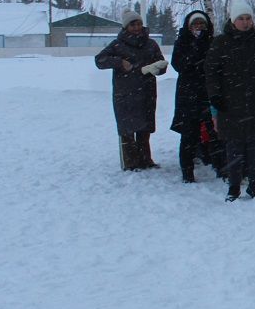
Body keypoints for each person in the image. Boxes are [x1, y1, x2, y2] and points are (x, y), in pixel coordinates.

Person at [205, 0, 255, 200]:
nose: (245, 22)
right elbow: (211, 73)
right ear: (233, 20)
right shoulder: (221, 43)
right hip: (231, 104)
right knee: (234, 147)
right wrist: (215, 97)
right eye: (241, 18)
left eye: (248, 18)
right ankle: (234, 186)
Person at [95, 9, 168, 170]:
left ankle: (145, 160)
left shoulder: (151, 44)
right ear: (126, 26)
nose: (137, 27)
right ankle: (130, 163)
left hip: (147, 92)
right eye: (133, 24)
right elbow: (99, 60)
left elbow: (161, 63)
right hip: (125, 93)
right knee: (127, 130)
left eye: (139, 24)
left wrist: (158, 67)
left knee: (144, 128)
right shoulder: (117, 45)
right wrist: (119, 62)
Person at [170, 9, 225, 182]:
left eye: (202, 23)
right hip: (188, 95)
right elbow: (179, 65)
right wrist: (196, 48)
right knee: (188, 135)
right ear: (189, 26)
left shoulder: (214, 42)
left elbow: (219, 65)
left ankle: (221, 167)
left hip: (209, 94)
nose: (199, 27)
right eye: (195, 24)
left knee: (215, 133)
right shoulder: (183, 42)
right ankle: (187, 173)